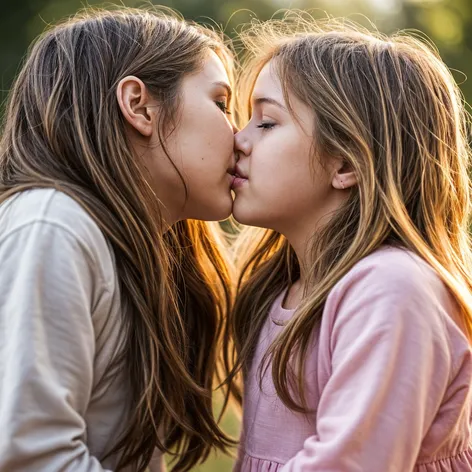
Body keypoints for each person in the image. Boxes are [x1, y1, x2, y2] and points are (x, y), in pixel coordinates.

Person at [230, 15, 472, 471]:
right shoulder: (282, 293)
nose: (237, 140)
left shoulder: (391, 288)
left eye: (266, 123)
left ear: (345, 162)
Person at [0, 7, 237, 472]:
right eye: (222, 104)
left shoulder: (134, 248)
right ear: (139, 106)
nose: (240, 135)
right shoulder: (53, 226)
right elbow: (30, 455)